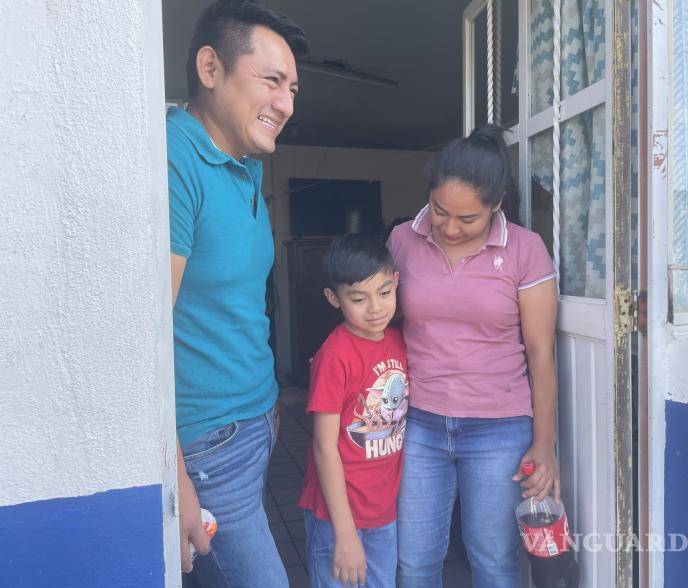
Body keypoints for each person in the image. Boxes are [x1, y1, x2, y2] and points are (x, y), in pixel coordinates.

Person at [166, 1, 308, 586]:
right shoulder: (175, 158)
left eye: (293, 89)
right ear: (210, 67)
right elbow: (135, 338)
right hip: (206, 445)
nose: (287, 104)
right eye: (272, 80)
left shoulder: (244, 161)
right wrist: (175, 484)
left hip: (256, 419)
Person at [387, 124, 561, 587]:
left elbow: (541, 353)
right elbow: (380, 323)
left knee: (494, 561)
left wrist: (545, 446)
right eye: (440, 211)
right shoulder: (403, 241)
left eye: (468, 219)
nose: (448, 226)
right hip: (419, 423)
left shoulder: (526, 250)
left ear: (497, 203)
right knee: (414, 560)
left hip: (499, 430)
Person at [297, 235, 409, 588]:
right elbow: (323, 446)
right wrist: (345, 535)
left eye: (384, 293)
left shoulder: (398, 341)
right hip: (337, 517)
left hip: (382, 512)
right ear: (334, 299)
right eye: (359, 299)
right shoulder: (336, 355)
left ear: (396, 283)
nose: (375, 308)